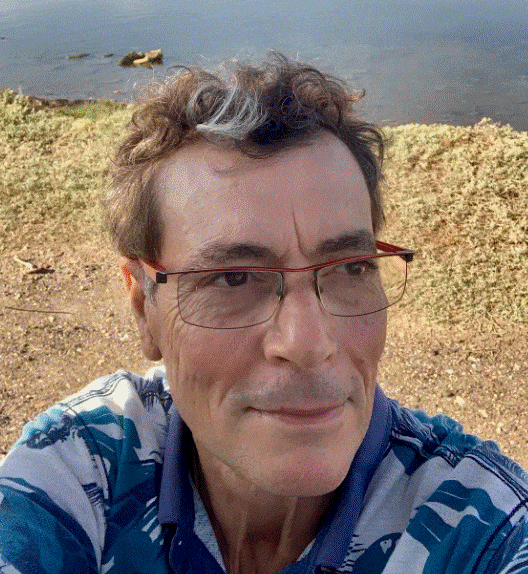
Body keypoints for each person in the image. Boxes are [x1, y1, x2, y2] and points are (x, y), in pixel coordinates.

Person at [0, 54, 527, 574]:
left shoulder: (484, 530)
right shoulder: (80, 466)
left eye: (350, 268)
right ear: (144, 308)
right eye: (233, 278)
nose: (308, 344)